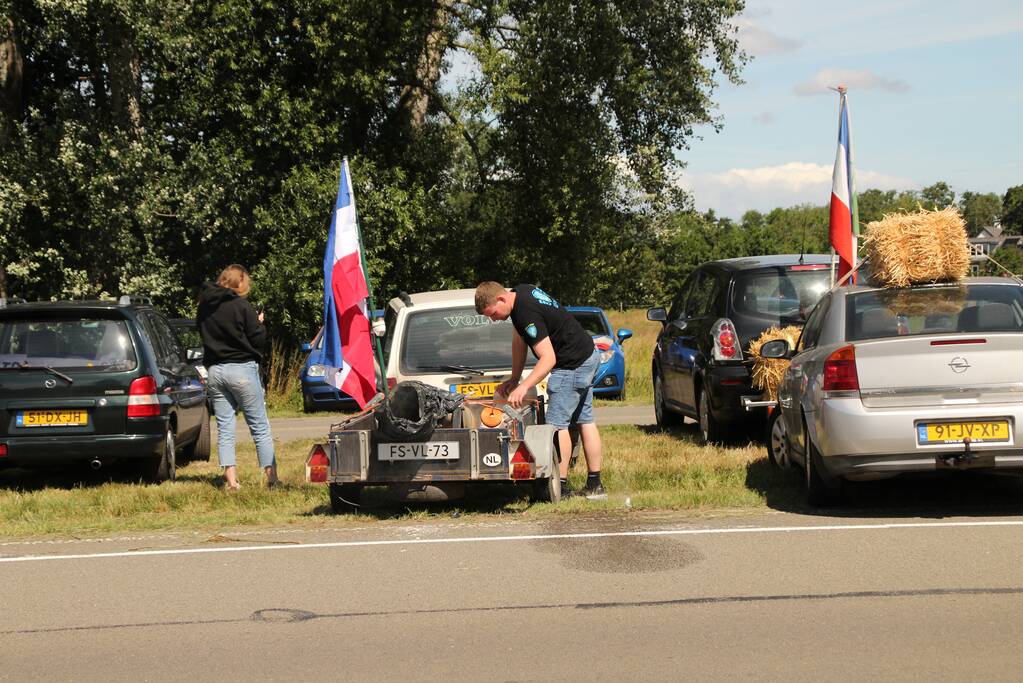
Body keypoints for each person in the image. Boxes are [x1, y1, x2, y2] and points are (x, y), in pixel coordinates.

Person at [475, 281, 606, 499]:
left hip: (571, 364)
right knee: (585, 420)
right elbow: (520, 341)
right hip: (586, 354)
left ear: (501, 299)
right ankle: (595, 485)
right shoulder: (521, 293)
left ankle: (560, 488)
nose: (493, 319)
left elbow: (548, 358)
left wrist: (524, 387)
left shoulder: (525, 313)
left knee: (557, 426)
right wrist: (514, 378)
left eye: (493, 313)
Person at [197, 264, 279, 490]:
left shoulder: (204, 307)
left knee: (225, 427)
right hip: (241, 369)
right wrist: (259, 323)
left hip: (215, 371)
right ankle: (271, 479)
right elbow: (258, 340)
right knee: (259, 427)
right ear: (239, 282)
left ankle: (232, 482)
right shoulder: (242, 306)